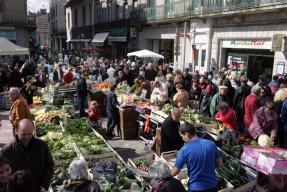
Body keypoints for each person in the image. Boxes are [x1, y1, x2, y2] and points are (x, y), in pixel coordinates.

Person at [1, 119, 54, 191]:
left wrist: (44, 186)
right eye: (23, 134)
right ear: (16, 131)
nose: (26, 138)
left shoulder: (42, 146)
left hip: (38, 188)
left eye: (29, 134)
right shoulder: (7, 150)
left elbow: (49, 165)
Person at [171, 123, 222, 192]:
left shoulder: (184, 149)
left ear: (187, 134)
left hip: (196, 188)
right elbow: (219, 164)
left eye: (182, 136)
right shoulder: (211, 144)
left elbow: (174, 172)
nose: (182, 139)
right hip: (212, 186)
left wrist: (162, 176)